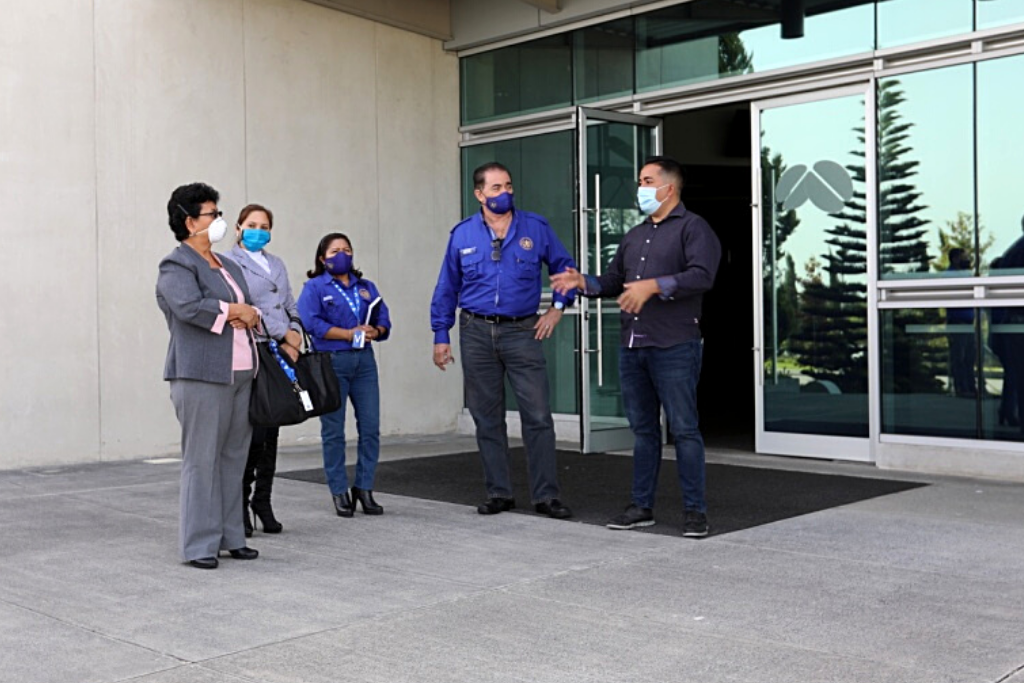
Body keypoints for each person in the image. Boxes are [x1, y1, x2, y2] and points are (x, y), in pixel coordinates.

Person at [552, 156, 721, 537]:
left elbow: (701, 275)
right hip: (633, 345)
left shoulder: (694, 229)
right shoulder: (634, 235)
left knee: (684, 429)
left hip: (675, 344)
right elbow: (614, 282)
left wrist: (654, 286)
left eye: (647, 181)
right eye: (640, 181)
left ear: (669, 188)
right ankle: (641, 506)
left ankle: (695, 512)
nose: (640, 188)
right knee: (643, 431)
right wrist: (584, 282)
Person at [430, 161, 576, 519]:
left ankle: (546, 496)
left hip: (522, 331)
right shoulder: (462, 234)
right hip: (475, 331)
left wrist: (557, 309)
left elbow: (565, 270)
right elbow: (447, 287)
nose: (504, 193)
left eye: (508, 185)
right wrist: (440, 334)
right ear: (479, 194)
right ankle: (499, 493)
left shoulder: (535, 228)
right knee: (487, 417)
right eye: (495, 188)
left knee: (538, 415)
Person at [156, 182, 261, 569]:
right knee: (202, 461)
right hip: (200, 375)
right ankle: (199, 544)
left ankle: (232, 535)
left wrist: (246, 312)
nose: (218, 220)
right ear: (189, 221)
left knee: (234, 458)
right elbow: (187, 306)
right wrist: (235, 311)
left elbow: (250, 307)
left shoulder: (228, 265)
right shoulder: (176, 265)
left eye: (218, 213)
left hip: (240, 371)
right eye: (211, 214)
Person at [297, 233, 391, 517]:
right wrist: (349, 334)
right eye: (335, 250)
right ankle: (339, 490)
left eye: (346, 249)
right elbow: (311, 322)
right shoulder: (314, 287)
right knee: (334, 431)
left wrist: (376, 330)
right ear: (322, 258)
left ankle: (364, 488)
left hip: (364, 362)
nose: (342, 255)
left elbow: (383, 318)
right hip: (332, 361)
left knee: (371, 427)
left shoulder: (366, 287)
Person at [228, 204, 303, 537]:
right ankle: (239, 504)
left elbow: (289, 302)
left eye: (265, 225)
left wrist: (296, 335)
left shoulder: (277, 263)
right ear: (239, 227)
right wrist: (281, 332)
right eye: (252, 224)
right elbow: (248, 308)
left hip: (281, 353)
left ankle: (264, 501)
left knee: (273, 429)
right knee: (252, 431)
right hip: (252, 351)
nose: (259, 230)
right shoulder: (229, 263)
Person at [945, 248, 976, 399]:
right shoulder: (949, 276)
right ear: (956, 259)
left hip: (969, 322)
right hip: (957, 321)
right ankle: (961, 388)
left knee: (970, 357)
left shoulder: (965, 275)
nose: (967, 260)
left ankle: (971, 386)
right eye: (964, 258)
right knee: (959, 357)